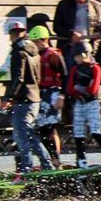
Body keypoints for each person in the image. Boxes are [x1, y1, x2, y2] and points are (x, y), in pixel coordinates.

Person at [0, 21, 54, 174]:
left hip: (24, 100)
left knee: (22, 136)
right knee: (28, 134)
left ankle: (28, 169)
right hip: (34, 98)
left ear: (11, 35)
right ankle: (45, 165)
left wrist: (8, 98)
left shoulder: (18, 52)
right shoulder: (34, 51)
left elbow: (19, 78)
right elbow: (36, 77)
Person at [66, 41, 101, 172]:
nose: (76, 58)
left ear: (86, 54)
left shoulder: (95, 68)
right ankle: (81, 161)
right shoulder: (74, 69)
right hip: (79, 103)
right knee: (78, 133)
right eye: (75, 56)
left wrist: (79, 88)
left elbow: (93, 89)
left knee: (95, 131)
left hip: (92, 103)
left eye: (78, 55)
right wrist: (82, 87)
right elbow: (69, 89)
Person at [27, 25, 68, 169]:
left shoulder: (53, 55)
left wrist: (62, 96)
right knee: (42, 129)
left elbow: (65, 76)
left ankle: (56, 160)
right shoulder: (35, 56)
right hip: (41, 95)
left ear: (45, 40)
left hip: (52, 94)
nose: (35, 44)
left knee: (49, 128)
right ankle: (51, 159)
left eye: (37, 41)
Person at [53, 0, 101, 68]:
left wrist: (95, 43)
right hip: (69, 47)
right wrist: (71, 34)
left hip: (87, 48)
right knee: (69, 77)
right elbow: (56, 27)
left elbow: (98, 28)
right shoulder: (63, 5)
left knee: (86, 77)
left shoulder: (95, 6)